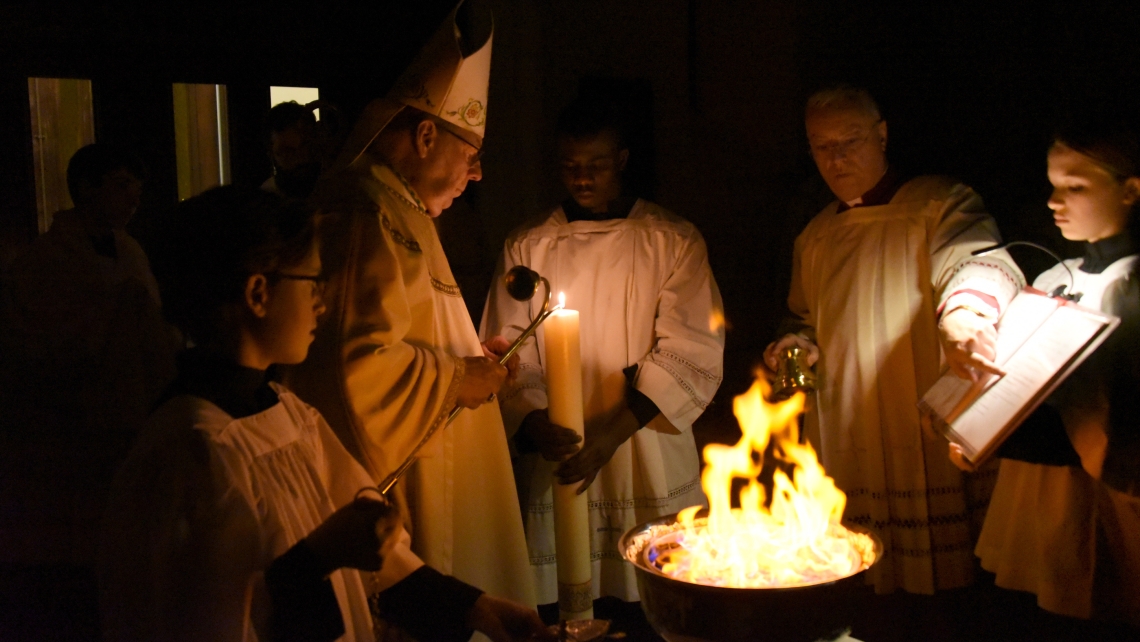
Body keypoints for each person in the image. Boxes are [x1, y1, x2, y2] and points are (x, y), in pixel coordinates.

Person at [98, 185, 550, 642]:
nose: (322, 302)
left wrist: (477, 608)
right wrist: (318, 557)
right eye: (312, 281)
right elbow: (203, 618)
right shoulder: (190, 452)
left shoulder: (287, 412)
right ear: (258, 293)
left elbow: (379, 559)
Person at [285, 0, 538, 612]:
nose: (474, 176)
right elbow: (354, 374)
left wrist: (467, 358)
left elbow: (403, 334)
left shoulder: (396, 207)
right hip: (407, 491)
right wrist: (456, 378)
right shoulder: (362, 210)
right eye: (470, 154)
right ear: (426, 135)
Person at [764, 85, 1024, 595]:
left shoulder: (938, 203)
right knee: (862, 577)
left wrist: (965, 314)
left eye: (851, 140)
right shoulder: (815, 235)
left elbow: (978, 262)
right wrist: (796, 345)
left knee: (945, 587)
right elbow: (805, 316)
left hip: (919, 413)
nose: (836, 159)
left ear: (882, 135)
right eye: (822, 146)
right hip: (848, 426)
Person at [480, 96, 723, 607]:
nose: (582, 178)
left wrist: (611, 435)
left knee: (657, 597)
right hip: (562, 451)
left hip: (644, 446)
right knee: (567, 599)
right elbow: (508, 349)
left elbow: (691, 350)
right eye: (570, 166)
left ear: (623, 161)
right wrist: (534, 422)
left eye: (595, 165)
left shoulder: (671, 240)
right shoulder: (529, 245)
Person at [958, 123, 1140, 627]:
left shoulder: (1129, 284)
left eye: (1075, 187)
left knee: (1096, 595)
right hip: (1035, 484)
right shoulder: (1053, 277)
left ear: (1130, 190)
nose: (1055, 201)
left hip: (1099, 490)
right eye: (1054, 185)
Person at [0, 143, 178, 564]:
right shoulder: (43, 262)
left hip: (137, 406)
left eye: (137, 187)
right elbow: (38, 339)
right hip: (76, 419)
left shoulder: (130, 250)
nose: (133, 197)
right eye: (121, 186)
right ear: (85, 189)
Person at [262, 100, 334, 201]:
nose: (300, 158)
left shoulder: (340, 190)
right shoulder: (265, 200)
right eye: (287, 151)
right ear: (270, 153)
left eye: (306, 146)